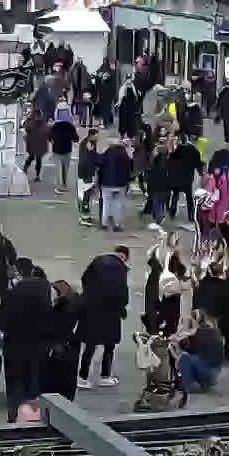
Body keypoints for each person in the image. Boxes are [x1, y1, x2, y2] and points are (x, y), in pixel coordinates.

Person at [0, 261, 55, 421]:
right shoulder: (46, 291)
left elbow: (1, 323)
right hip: (38, 348)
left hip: (14, 348)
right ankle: (33, 418)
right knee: (34, 384)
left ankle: (13, 417)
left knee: (15, 384)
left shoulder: (9, 295)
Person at [78, 246, 130, 389]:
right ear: (124, 257)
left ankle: (82, 378)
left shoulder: (98, 261)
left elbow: (84, 278)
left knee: (90, 344)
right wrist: (121, 308)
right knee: (109, 345)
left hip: (91, 310)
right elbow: (122, 294)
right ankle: (105, 376)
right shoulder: (120, 269)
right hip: (110, 313)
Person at [97, 137, 132, 231]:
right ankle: (117, 225)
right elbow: (129, 168)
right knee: (118, 204)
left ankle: (104, 224)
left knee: (106, 203)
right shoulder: (125, 155)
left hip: (106, 184)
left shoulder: (107, 153)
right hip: (120, 185)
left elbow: (99, 164)